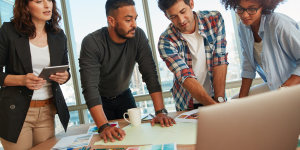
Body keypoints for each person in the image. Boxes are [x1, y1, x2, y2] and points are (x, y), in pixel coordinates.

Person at [79, 0, 176, 143]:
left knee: (136, 137)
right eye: (128, 20)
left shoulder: (138, 36)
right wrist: (104, 126)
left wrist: (160, 112)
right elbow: (90, 88)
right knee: (109, 141)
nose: (134, 24)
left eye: (135, 19)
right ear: (111, 20)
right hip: (101, 102)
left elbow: (150, 74)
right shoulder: (92, 42)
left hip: (124, 96)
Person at [0, 0, 71, 149]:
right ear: (25, 6)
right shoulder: (8, 30)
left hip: (47, 112)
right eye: (39, 1)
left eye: (49, 0)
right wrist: (22, 80)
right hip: (16, 112)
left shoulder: (58, 35)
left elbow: (65, 70)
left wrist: (65, 77)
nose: (47, 5)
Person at [157, 0, 228, 111]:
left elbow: (220, 59)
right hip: (188, 105)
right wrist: (215, 108)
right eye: (174, 16)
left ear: (191, 3)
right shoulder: (166, 41)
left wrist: (219, 101)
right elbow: (185, 75)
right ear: (167, 16)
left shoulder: (215, 19)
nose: (181, 20)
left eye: (183, 11)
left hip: (216, 98)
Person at [221, 0, 300, 98]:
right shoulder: (242, 27)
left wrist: (284, 89)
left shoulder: (280, 24)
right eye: (240, 8)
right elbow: (248, 66)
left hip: (293, 85)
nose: (244, 15)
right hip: (275, 85)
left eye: (252, 9)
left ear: (264, 6)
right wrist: (241, 100)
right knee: (236, 100)